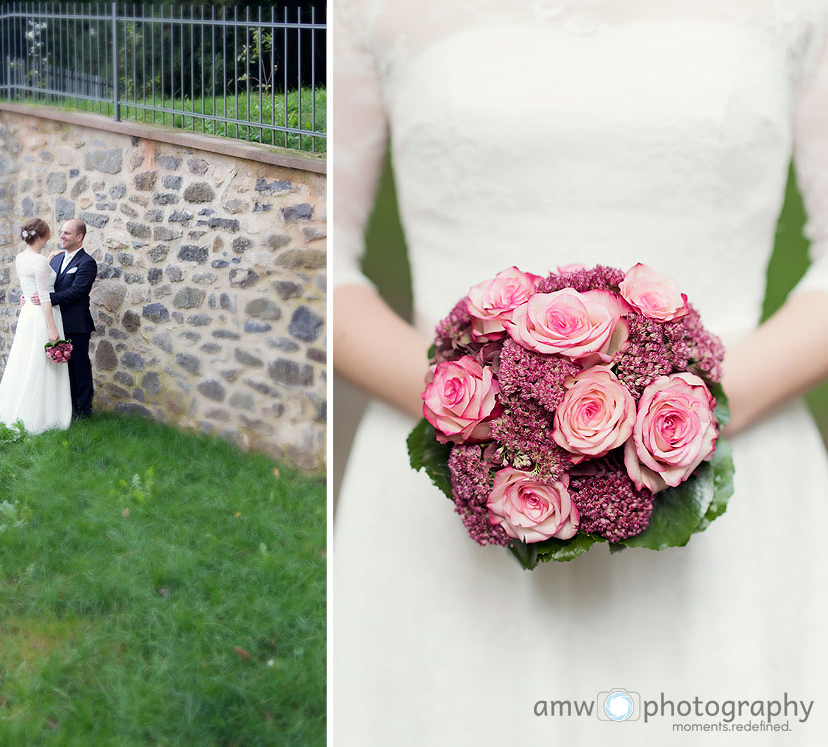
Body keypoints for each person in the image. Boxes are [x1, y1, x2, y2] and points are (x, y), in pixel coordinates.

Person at [333, 2, 828, 745]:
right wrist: (486, 421)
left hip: (734, 493)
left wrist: (687, 416)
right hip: (452, 504)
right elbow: (323, 256)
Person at [0, 218, 73, 433]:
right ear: (41, 236)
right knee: (40, 363)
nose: (50, 238)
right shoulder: (38, 262)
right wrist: (52, 328)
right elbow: (45, 297)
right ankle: (42, 416)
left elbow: (32, 284)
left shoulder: (22, 258)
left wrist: (47, 260)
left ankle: (19, 409)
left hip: (28, 312)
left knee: (26, 360)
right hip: (41, 316)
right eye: (48, 235)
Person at [29, 218, 97, 419]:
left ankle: (84, 410)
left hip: (76, 325)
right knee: (60, 371)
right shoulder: (56, 259)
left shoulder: (87, 263)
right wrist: (31, 296)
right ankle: (64, 408)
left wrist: (46, 298)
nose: (62, 236)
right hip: (55, 323)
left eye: (67, 233)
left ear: (79, 237)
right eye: (61, 232)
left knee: (79, 368)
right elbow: (43, 284)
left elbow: (77, 292)